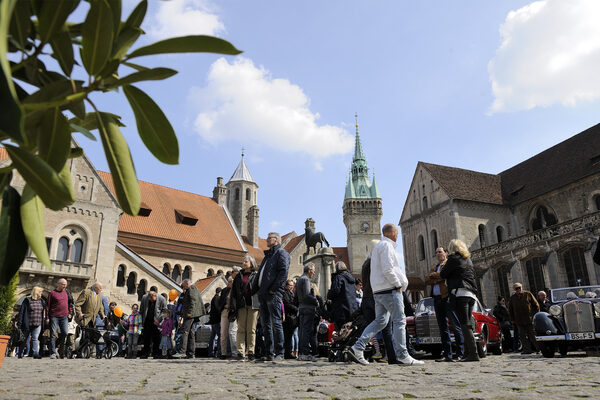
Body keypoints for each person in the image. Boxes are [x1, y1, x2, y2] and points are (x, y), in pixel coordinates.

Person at [350, 223, 423, 366]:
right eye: (396, 233)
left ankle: (357, 347)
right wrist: (398, 285)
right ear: (391, 233)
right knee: (400, 320)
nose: (397, 236)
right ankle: (402, 355)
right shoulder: (386, 246)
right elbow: (389, 269)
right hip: (389, 289)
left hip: (378, 291)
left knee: (381, 321)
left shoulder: (378, 247)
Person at [440, 239, 479, 362]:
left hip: (460, 293)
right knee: (466, 324)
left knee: (464, 324)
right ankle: (468, 354)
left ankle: (473, 354)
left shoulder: (453, 259)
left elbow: (443, 274)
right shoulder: (468, 260)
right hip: (471, 294)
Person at [360, 239, 398, 364]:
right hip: (377, 297)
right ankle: (391, 356)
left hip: (366, 298)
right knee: (387, 329)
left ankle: (362, 349)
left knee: (372, 328)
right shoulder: (375, 263)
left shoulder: (365, 263)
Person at [254, 232, 290, 362]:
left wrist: (273, 289)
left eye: (269, 238)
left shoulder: (281, 253)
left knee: (276, 323)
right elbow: (261, 274)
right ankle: (269, 353)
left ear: (276, 240)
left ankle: (279, 353)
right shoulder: (268, 256)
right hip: (263, 293)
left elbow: (283, 272)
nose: (267, 240)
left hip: (273, 293)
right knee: (265, 325)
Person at [424, 246, 464, 362]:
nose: (438, 254)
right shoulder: (435, 267)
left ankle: (460, 353)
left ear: (446, 253)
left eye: (440, 252)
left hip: (446, 298)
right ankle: (447, 354)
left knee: (455, 325)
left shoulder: (447, 264)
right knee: (442, 328)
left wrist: (435, 277)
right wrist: (437, 277)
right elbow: (427, 280)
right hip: (437, 299)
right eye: (436, 252)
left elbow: (444, 275)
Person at [233, 255, 260, 361]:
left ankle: (251, 352)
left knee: (251, 330)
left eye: (246, 262)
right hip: (242, 305)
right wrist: (233, 305)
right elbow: (234, 292)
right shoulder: (239, 275)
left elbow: (259, 289)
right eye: (243, 262)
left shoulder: (256, 275)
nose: (243, 263)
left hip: (254, 305)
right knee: (241, 329)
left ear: (251, 263)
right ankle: (240, 352)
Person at [45, 278, 74, 359]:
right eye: (63, 284)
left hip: (64, 316)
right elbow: (48, 306)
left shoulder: (67, 292)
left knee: (64, 332)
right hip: (54, 316)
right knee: (53, 334)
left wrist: (70, 313)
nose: (64, 286)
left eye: (65, 284)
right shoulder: (52, 293)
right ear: (58, 284)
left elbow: (70, 304)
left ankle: (55, 347)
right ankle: (53, 352)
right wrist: (47, 317)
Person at [508, 282, 539, 355]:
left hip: (529, 319)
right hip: (519, 320)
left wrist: (535, 315)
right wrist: (512, 319)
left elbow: (536, 305)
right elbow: (510, 309)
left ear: (521, 288)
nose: (518, 289)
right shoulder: (513, 298)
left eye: (519, 288)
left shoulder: (528, 294)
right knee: (522, 336)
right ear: (515, 290)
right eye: (516, 288)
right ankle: (527, 350)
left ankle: (538, 349)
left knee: (532, 335)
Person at [296, 263, 319, 361]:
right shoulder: (305, 279)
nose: (314, 273)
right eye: (313, 271)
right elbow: (306, 295)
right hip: (307, 308)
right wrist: (316, 300)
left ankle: (302, 352)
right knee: (306, 331)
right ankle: (304, 353)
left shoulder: (300, 279)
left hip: (302, 307)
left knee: (302, 331)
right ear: (309, 270)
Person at [327, 261, 358, 331]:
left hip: (341, 311)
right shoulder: (352, 279)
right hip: (352, 310)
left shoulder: (339, 277)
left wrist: (329, 295)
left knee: (341, 331)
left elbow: (335, 291)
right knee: (350, 331)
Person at [18, 286, 46, 359]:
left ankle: (35, 353)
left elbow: (43, 312)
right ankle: (20, 353)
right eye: (40, 292)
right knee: (24, 338)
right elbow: (21, 312)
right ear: (36, 292)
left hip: (38, 323)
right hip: (28, 323)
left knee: (35, 338)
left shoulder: (42, 301)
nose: (41, 293)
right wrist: (20, 322)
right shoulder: (27, 300)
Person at [179, 279, 203, 358]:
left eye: (183, 285)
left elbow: (193, 301)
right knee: (191, 333)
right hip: (191, 314)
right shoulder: (191, 289)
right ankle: (191, 353)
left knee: (185, 332)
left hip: (190, 315)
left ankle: (182, 351)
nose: (183, 287)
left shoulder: (192, 289)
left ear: (187, 283)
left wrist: (190, 312)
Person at [140, 290, 167, 358]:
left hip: (157, 321)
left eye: (152, 299)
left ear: (155, 296)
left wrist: (158, 320)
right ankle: (145, 353)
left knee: (156, 339)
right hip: (147, 321)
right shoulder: (144, 298)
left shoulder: (162, 299)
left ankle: (156, 353)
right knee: (146, 338)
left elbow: (164, 311)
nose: (151, 300)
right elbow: (142, 309)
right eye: (150, 299)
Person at [219, 276, 237, 359]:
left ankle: (234, 353)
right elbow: (221, 301)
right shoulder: (224, 290)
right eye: (229, 281)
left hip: (233, 312)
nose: (229, 283)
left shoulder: (236, 290)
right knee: (223, 333)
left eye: (231, 282)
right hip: (224, 312)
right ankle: (223, 353)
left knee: (232, 332)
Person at [282, 279, 299, 359]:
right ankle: (287, 352)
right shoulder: (285, 293)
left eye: (292, 285)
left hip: (292, 316)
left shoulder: (292, 293)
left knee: (290, 335)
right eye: (290, 285)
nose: (291, 287)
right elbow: (287, 304)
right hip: (288, 317)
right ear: (286, 286)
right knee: (287, 336)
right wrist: (297, 309)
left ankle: (289, 352)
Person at [208, 287, 222, 357]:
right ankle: (219, 352)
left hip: (213, 320)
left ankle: (211, 352)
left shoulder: (213, 298)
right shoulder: (217, 299)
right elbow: (218, 309)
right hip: (216, 320)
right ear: (220, 292)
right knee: (219, 336)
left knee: (212, 337)